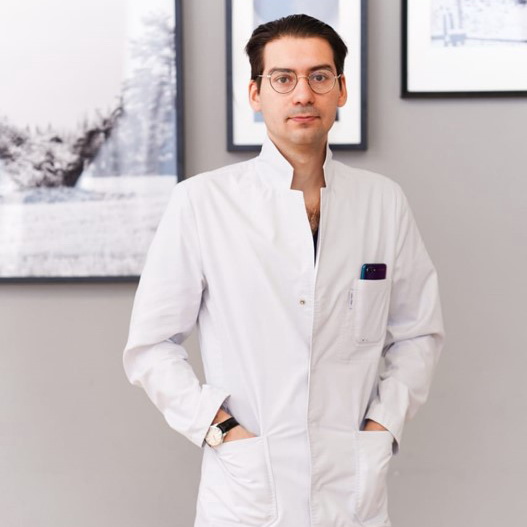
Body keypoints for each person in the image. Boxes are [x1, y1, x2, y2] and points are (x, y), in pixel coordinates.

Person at [123, 14, 444, 527]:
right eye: (283, 78)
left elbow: (418, 334)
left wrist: (383, 424)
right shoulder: (203, 203)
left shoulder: (383, 202)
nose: (303, 94)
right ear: (255, 93)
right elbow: (150, 345)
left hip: (352, 489)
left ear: (341, 90)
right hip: (247, 490)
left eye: (319, 76)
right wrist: (219, 428)